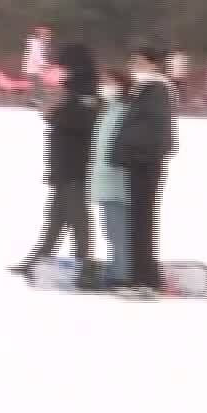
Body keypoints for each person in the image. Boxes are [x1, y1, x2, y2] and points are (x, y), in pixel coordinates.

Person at [12, 42, 100, 289]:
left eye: (64, 65)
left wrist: (53, 115)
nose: (61, 70)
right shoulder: (72, 88)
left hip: (76, 163)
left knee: (78, 216)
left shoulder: (87, 89)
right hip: (63, 162)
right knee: (56, 216)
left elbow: (83, 122)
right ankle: (38, 260)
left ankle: (84, 263)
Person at [110, 46, 177, 298]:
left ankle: (147, 279)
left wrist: (132, 151)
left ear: (153, 64)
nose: (133, 65)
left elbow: (154, 129)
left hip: (146, 163)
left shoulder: (157, 89)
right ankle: (139, 276)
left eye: (138, 61)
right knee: (137, 221)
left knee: (143, 221)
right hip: (137, 162)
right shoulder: (142, 89)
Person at [89, 67, 132, 288]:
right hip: (105, 178)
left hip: (118, 180)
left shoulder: (125, 111)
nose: (104, 86)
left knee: (118, 229)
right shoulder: (108, 110)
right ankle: (119, 266)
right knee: (110, 228)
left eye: (109, 82)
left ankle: (122, 273)